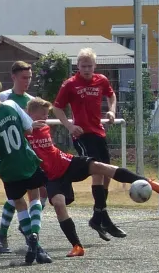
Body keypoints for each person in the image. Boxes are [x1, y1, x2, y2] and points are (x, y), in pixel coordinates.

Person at [26, 97, 159, 257]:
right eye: (43, 114)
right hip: (52, 176)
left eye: (46, 114)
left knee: (100, 167)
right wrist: (27, 127)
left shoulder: (43, 128)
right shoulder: (23, 132)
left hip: (66, 162)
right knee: (59, 205)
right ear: (29, 114)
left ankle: (146, 181)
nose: (46, 118)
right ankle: (77, 246)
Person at [0, 77, 51, 265]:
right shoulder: (12, 105)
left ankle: (34, 243)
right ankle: (35, 235)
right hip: (26, 160)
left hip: (8, 168)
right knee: (34, 197)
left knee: (19, 203)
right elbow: (28, 129)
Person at [53, 47, 125, 240]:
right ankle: (103, 217)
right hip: (82, 135)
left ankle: (97, 216)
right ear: (77, 66)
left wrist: (111, 111)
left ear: (95, 66)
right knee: (99, 170)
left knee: (108, 173)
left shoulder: (101, 80)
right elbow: (57, 107)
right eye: (83, 66)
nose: (86, 69)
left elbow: (111, 95)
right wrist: (69, 126)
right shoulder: (70, 84)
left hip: (98, 132)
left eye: (89, 66)